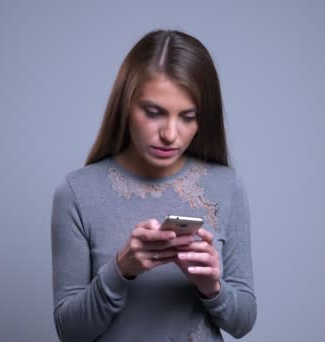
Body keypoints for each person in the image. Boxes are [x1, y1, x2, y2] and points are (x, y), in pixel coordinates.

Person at [50, 29, 256, 341]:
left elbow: (242, 323)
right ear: (126, 106)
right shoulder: (77, 193)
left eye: (187, 117)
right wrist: (121, 269)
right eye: (154, 112)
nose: (170, 134)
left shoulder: (226, 187)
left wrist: (212, 287)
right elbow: (70, 332)